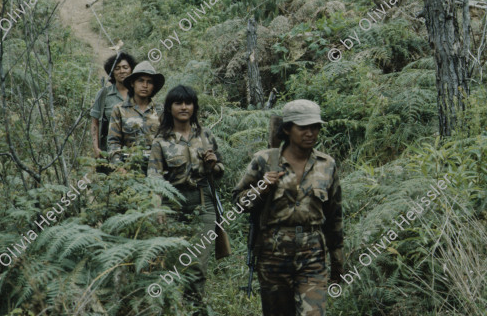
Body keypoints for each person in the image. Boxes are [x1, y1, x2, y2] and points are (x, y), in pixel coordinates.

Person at [232, 99, 343, 316]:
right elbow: (238, 203)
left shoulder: (327, 164)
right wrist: (261, 188)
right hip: (273, 253)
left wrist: (338, 258)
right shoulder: (264, 160)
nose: (310, 133)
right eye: (303, 127)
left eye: (315, 127)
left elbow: (334, 215)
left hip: (312, 253)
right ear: (287, 129)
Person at [147, 85, 224, 315]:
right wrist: (157, 207)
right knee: (172, 264)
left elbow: (220, 171)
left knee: (198, 266)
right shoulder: (160, 142)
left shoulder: (206, 135)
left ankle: (195, 311)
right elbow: (154, 178)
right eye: (178, 103)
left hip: (203, 202)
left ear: (194, 107)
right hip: (173, 205)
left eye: (188, 103)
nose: (183, 107)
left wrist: (213, 165)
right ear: (170, 108)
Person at [107, 60, 165, 165]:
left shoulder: (161, 110)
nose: (145, 85)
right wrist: (119, 168)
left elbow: (169, 141)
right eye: (140, 80)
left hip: (156, 168)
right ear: (132, 83)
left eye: (149, 82)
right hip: (128, 167)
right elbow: (113, 143)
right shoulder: (119, 110)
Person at [90, 52, 136, 161]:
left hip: (136, 151)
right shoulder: (104, 94)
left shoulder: (139, 94)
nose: (122, 71)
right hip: (109, 152)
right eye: (117, 68)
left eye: (125, 67)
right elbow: (95, 122)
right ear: (112, 72)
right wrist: (96, 148)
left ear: (131, 70)